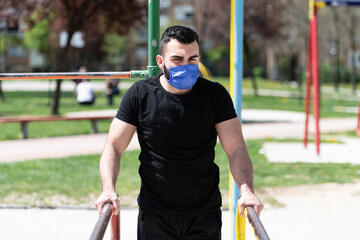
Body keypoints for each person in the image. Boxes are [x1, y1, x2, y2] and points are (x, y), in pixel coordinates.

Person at [95, 25, 263, 239]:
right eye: (177, 59)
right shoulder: (140, 95)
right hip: (155, 215)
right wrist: (108, 188)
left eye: (193, 59)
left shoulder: (215, 95)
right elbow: (113, 146)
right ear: (160, 61)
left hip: (204, 214)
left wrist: (247, 190)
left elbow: (236, 147)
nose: (186, 65)